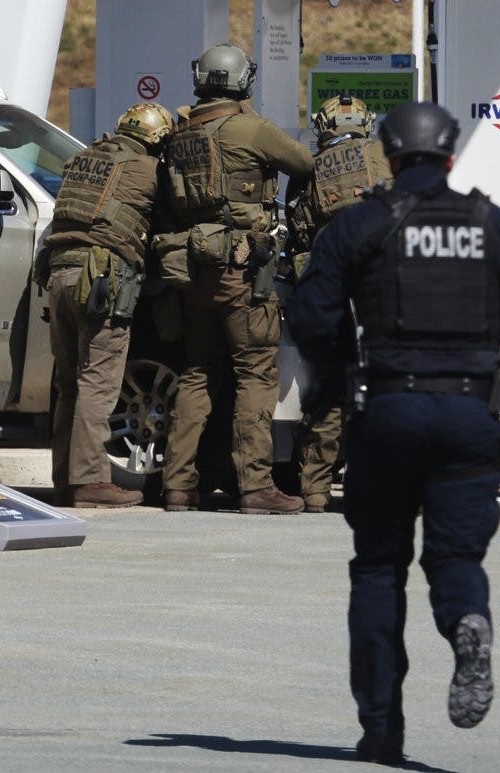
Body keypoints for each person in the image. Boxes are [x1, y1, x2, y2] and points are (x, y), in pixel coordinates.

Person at [286, 101, 500, 764]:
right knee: (456, 558)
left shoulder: (360, 224)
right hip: (471, 417)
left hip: (390, 412)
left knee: (378, 567)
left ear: (389, 154)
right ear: (451, 157)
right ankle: (467, 621)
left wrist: (340, 366)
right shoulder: (491, 225)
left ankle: (382, 729)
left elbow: (310, 315)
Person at [160, 43, 314, 514]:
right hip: (242, 268)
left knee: (197, 373)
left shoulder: (180, 130)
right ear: (244, 81)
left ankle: (178, 487)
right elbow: (304, 164)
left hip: (191, 269)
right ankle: (256, 487)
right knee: (254, 375)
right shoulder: (250, 127)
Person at [43, 102, 173, 508]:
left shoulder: (81, 160)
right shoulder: (148, 170)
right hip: (101, 279)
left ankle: (65, 480)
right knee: (97, 383)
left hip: (59, 274)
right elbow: (167, 220)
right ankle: (92, 482)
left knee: (68, 386)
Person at [286, 94, 392, 513]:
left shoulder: (310, 171)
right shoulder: (390, 154)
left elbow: (298, 230)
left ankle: (314, 488)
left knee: (328, 388)